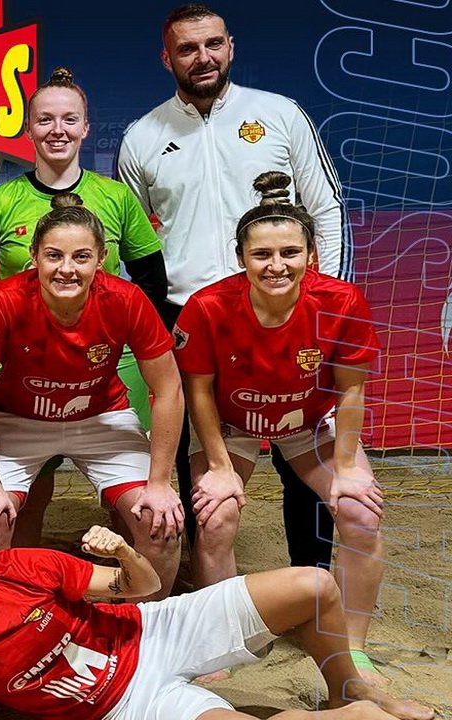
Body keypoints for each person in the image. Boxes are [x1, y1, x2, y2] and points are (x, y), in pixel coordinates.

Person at [117, 4, 350, 574]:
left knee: (302, 445)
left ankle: (310, 576)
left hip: (288, 307)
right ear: (166, 58)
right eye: (188, 49)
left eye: (213, 44)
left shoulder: (279, 114)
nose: (203, 58)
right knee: (193, 450)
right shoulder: (142, 136)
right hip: (190, 315)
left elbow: (325, 207)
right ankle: (200, 574)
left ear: (230, 47)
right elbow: (131, 242)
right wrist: (147, 319)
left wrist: (326, 299)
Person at [0, 508, 434, 720]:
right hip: (124, 704)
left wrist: (125, 553)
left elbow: (146, 588)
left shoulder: (20, 567)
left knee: (314, 584)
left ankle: (349, 688)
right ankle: (357, 715)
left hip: (154, 630)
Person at [175, 171, 386, 683]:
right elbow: (197, 393)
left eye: (290, 252)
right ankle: (218, 647)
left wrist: (346, 468)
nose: (276, 265)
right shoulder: (207, 307)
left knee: (359, 513)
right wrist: (219, 467)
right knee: (216, 516)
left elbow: (351, 390)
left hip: (308, 421)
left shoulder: (341, 302)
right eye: (261, 255)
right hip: (231, 422)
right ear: (240, 258)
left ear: (311, 255)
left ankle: (351, 650)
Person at [0, 66, 169, 549]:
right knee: (27, 495)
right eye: (45, 120)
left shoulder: (116, 197)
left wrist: (120, 335)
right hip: (21, 370)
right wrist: (3, 334)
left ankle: (123, 581)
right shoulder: (0, 201)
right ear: (28, 129)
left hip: (109, 368)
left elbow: (152, 281)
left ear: (86, 127)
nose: (58, 130)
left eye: (70, 120)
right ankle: (25, 579)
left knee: (128, 506)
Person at [0, 195, 183, 598]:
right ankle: (8, 622)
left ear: (102, 259)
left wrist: (161, 483)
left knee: (160, 523)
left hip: (101, 419)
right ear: (34, 256)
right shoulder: (4, 298)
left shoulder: (127, 299)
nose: (66, 269)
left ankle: (145, 625)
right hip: (17, 420)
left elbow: (168, 389)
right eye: (54, 256)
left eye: (81, 257)